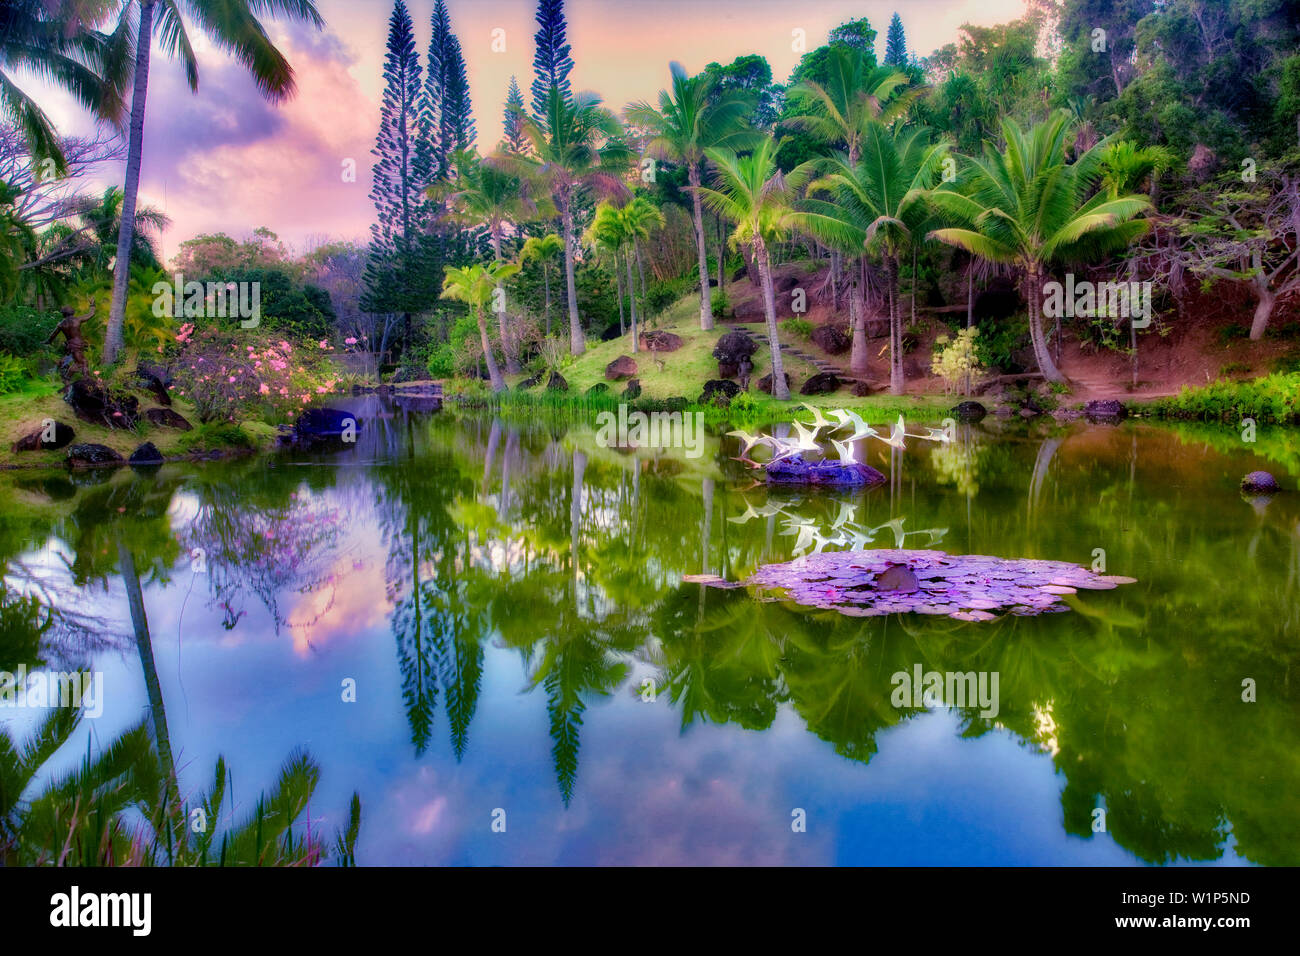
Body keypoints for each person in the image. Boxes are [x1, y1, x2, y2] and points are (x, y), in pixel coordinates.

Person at [47, 298, 95, 377]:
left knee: (77, 363)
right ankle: (87, 380)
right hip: (77, 345)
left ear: (64, 314)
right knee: (83, 362)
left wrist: (48, 341)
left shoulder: (61, 324)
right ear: (72, 313)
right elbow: (91, 314)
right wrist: (92, 304)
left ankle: (67, 378)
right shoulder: (77, 320)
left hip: (71, 345)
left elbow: (52, 335)